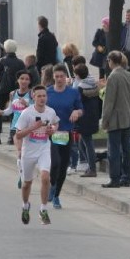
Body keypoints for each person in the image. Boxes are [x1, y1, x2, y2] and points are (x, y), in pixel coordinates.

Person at [15, 86, 59, 226]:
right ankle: (25, 205)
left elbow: (55, 123)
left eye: (44, 96)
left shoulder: (50, 111)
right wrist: (33, 127)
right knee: (27, 183)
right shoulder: (27, 113)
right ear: (33, 97)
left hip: (44, 149)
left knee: (46, 177)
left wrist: (52, 130)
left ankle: (43, 209)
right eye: (39, 96)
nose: (42, 98)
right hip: (28, 151)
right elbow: (18, 134)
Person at [46, 65, 84, 208]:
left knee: (63, 166)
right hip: (51, 132)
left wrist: (77, 112)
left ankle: (56, 195)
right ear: (53, 77)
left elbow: (80, 108)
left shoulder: (73, 93)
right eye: (57, 76)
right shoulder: (48, 92)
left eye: (62, 76)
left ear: (65, 77)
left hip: (66, 132)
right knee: (55, 162)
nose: (60, 79)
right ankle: (52, 184)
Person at [101, 50, 130, 188]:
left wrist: (104, 121)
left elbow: (108, 102)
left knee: (114, 150)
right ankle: (128, 176)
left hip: (115, 119)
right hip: (127, 117)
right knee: (126, 149)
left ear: (111, 61)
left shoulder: (112, 77)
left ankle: (115, 178)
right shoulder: (129, 75)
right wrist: (128, 107)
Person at [0, 39, 26, 144]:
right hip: (15, 90)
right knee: (14, 113)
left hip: (2, 89)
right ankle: (12, 137)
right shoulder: (20, 62)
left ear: (6, 49)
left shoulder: (2, 61)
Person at [73, 63, 102, 178]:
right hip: (93, 116)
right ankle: (91, 164)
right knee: (82, 143)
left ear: (78, 75)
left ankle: (92, 168)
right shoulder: (94, 84)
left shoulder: (80, 88)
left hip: (84, 118)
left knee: (87, 142)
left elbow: (76, 103)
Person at [0, 71, 33, 148]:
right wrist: (1, 112)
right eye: (22, 78)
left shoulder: (32, 93)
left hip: (28, 127)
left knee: (26, 151)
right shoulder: (13, 93)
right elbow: (10, 110)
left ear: (30, 81)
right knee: (19, 150)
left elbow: (36, 109)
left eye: (27, 79)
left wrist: (26, 104)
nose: (24, 81)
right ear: (17, 80)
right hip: (15, 126)